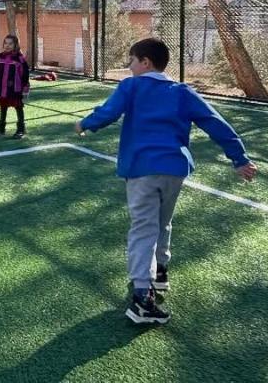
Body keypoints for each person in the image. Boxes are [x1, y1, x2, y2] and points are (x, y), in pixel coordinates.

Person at [76, 37, 258, 325]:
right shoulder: (182, 92)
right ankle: (160, 272)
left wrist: (85, 124)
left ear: (145, 62)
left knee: (143, 227)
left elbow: (108, 113)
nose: (129, 67)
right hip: (174, 169)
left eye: (131, 61)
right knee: (162, 222)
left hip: (141, 169)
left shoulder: (131, 86)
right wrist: (239, 159)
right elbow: (215, 122)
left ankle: (141, 298)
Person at [0, 33, 30, 139]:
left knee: (18, 107)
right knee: (3, 107)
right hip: (2, 88)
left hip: (15, 89)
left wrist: (25, 88)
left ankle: (21, 129)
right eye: (6, 43)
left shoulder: (19, 58)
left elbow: (25, 74)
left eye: (10, 44)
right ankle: (1, 128)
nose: (7, 45)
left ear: (15, 45)